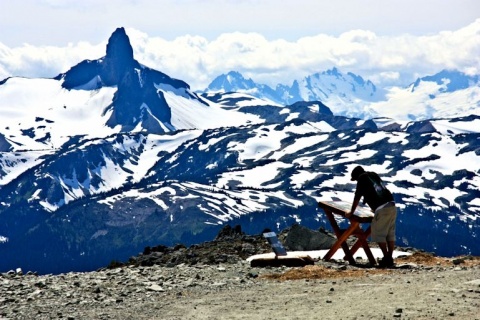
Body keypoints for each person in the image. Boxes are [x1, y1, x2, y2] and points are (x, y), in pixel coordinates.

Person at [346, 165, 397, 267]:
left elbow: (357, 196)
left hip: (382, 208)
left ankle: (386, 258)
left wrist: (351, 211)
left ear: (357, 176)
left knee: (379, 234)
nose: (356, 181)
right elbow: (378, 190)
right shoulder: (373, 175)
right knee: (389, 233)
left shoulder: (362, 178)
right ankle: (389, 258)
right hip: (392, 205)